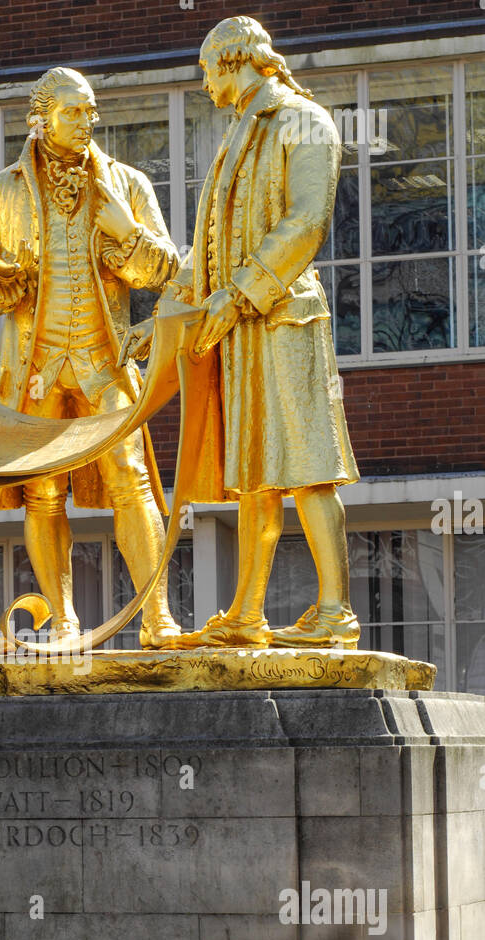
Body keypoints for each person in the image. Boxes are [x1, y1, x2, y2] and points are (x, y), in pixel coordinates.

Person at [120, 17, 361, 649]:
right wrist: (163, 316)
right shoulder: (237, 135)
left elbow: (307, 223)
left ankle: (334, 610)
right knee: (257, 471)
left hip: (284, 318)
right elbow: (208, 251)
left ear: (233, 62)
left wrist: (241, 294)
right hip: (241, 326)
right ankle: (249, 613)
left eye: (206, 71)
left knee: (310, 465)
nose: (204, 84)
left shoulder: (302, 121)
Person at [0, 66, 181, 646]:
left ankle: (157, 619)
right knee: (43, 491)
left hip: (105, 362)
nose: (87, 121)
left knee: (132, 480)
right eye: (73, 111)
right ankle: (63, 618)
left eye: (90, 110)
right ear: (41, 117)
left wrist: (127, 235)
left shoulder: (126, 185)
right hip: (35, 365)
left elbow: (171, 276)